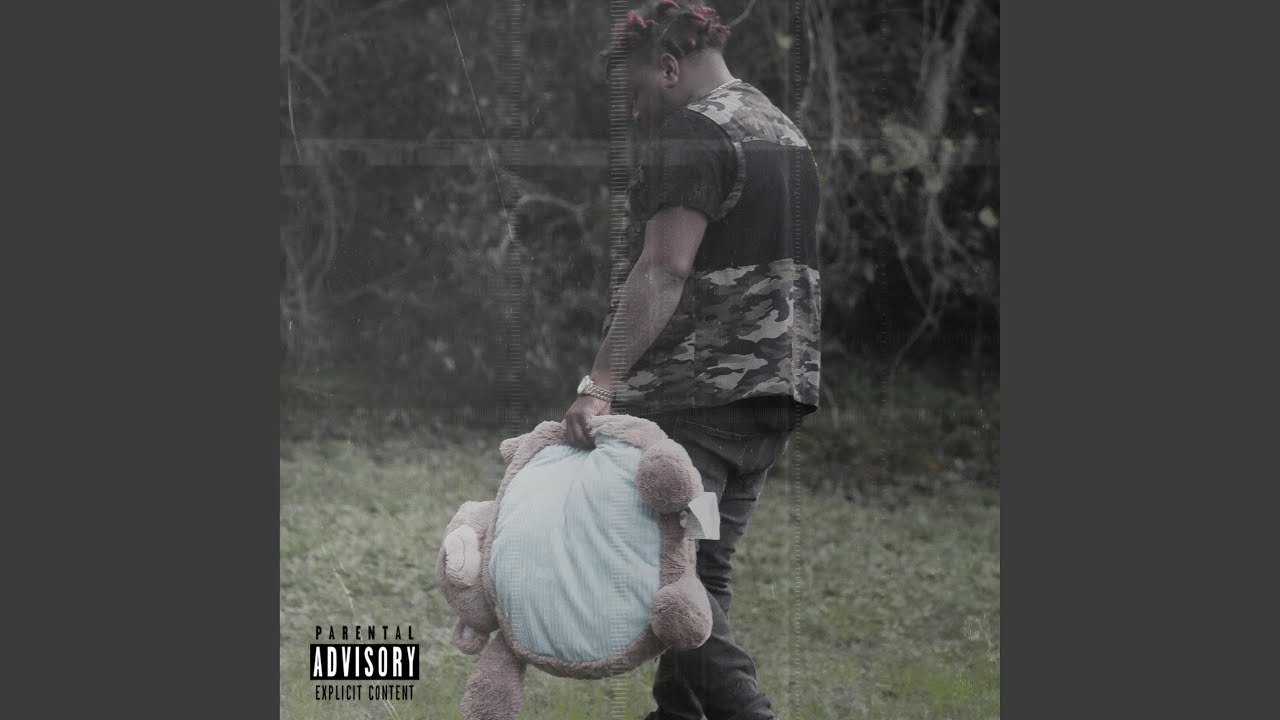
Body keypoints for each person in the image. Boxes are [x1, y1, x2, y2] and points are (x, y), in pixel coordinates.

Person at [561, 2, 821, 718]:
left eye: (638, 94)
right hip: (775, 397)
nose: (637, 114)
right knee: (701, 567)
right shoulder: (784, 131)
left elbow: (663, 269)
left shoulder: (694, 132)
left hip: (704, 403)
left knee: (665, 576)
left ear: (670, 67)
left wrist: (599, 382)